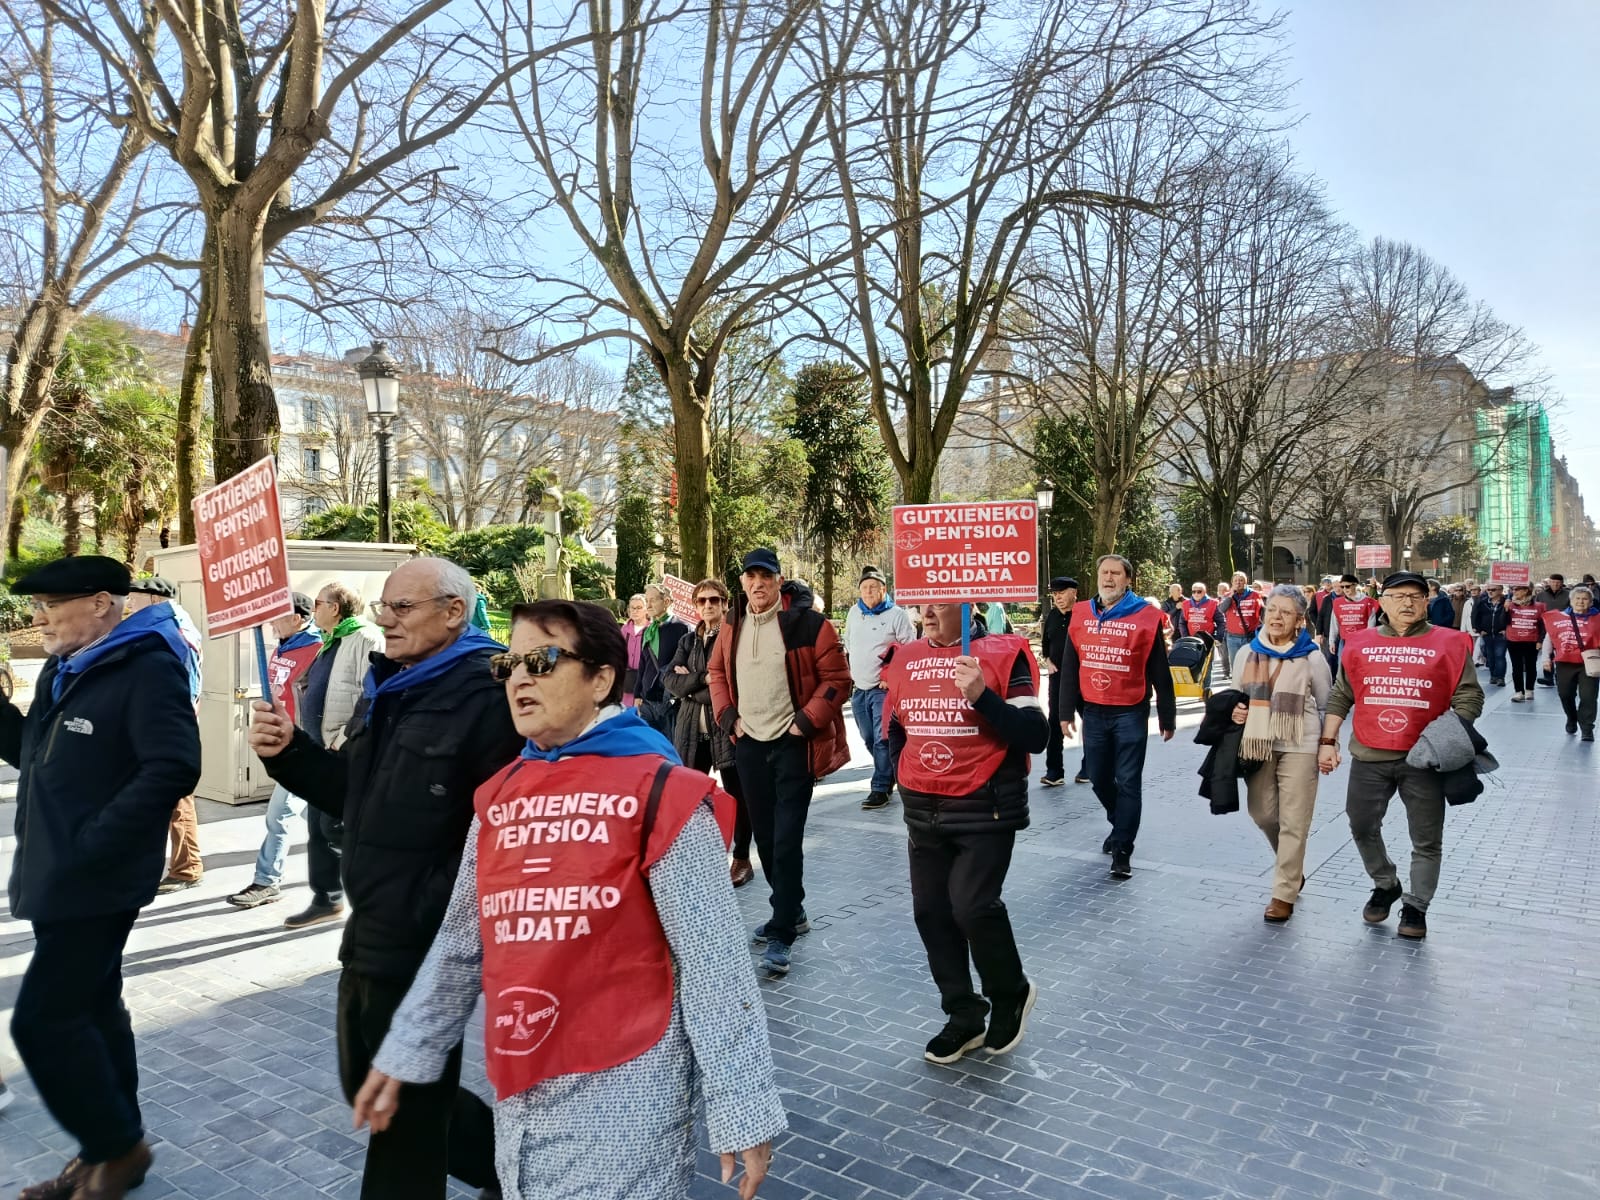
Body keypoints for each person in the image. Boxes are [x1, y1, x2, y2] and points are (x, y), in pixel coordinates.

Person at [350, 599, 786, 1200]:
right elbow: (459, 947)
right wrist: (407, 1052)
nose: (521, 677)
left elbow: (715, 964)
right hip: (521, 1081)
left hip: (627, 1092)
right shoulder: (498, 797)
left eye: (544, 660)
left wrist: (742, 1102)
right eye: (510, 665)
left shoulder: (662, 795)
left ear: (602, 678)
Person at [247, 558, 519, 1200]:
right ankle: (515, 1165)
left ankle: (514, 1167)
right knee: (370, 1081)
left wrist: (437, 907)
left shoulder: (491, 696)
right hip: (373, 921)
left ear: (454, 612)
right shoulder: (396, 683)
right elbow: (357, 794)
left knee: (401, 1107)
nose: (385, 621)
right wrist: (290, 752)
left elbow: (504, 830)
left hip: (429, 935)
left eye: (402, 608)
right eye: (383, 608)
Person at [5, 556, 201, 1200]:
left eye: (48, 606)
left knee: (42, 1021)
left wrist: (94, 844)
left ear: (98, 603)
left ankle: (119, 1149)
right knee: (94, 1008)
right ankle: (107, 1146)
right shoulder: (68, 668)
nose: (38, 620)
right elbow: (31, 753)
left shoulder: (146, 666)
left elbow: (173, 765)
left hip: (96, 880)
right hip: (56, 872)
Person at [882, 600, 1047, 1064]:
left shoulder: (1003, 653)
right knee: (931, 912)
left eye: (938, 604)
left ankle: (1010, 991)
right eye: (921, 604)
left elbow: (1035, 735)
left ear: (966, 605)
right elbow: (895, 726)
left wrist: (981, 695)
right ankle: (963, 1014)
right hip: (923, 809)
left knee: (972, 906)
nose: (926, 613)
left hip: (985, 807)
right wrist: (900, 770)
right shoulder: (906, 657)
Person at [708, 548, 851, 977]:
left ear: (778, 580)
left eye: (765, 577)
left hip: (794, 745)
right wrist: (728, 719)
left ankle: (782, 931)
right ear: (742, 582)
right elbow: (716, 672)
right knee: (767, 840)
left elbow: (838, 680)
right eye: (750, 577)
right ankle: (792, 910)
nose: (758, 584)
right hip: (749, 744)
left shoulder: (809, 625)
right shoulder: (732, 623)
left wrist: (806, 722)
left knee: (787, 839)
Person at [1319, 571, 1483, 940]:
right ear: (1381, 601)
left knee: (1426, 839)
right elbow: (1341, 694)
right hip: (1369, 753)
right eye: (1397, 595)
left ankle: (1417, 905)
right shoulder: (1359, 643)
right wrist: (1327, 740)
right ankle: (1386, 882)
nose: (1407, 602)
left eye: (1415, 595)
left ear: (1427, 601)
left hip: (1423, 759)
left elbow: (1469, 696)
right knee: (1361, 825)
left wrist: (1445, 735)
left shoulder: (1452, 643)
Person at [1057, 555, 1177, 879]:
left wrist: (1167, 715)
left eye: (1115, 574)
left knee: (1128, 782)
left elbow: (1159, 671)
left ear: (1128, 580)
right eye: (1103, 573)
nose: (1108, 578)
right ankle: (1119, 822)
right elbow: (1071, 666)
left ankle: (1123, 849)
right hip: (1093, 711)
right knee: (1097, 777)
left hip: (1130, 711)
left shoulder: (1146, 616)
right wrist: (1064, 712)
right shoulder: (1082, 613)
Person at [1227, 586, 1331, 922]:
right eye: (1272, 609)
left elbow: (1329, 704)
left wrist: (1330, 746)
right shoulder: (1246, 653)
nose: (1276, 617)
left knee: (1294, 821)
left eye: (1285, 612)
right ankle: (1292, 864)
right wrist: (1235, 713)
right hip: (1258, 743)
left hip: (1301, 742)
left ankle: (1283, 892)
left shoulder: (1311, 656)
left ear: (1299, 619)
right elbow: (1233, 698)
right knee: (1263, 814)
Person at [226, 594, 322, 909]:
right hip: (285, 743)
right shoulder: (283, 646)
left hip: (304, 747)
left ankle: (267, 881)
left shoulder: (316, 650)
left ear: (299, 618)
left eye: (278, 617)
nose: (271, 624)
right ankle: (361, 856)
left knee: (279, 815)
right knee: (322, 816)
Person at [664, 578, 755, 888]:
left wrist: (693, 683)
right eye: (701, 601)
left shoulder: (733, 638)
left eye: (714, 600)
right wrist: (708, 679)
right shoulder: (688, 642)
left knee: (738, 796)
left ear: (725, 603)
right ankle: (695, 857)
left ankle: (741, 858)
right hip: (692, 730)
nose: (707, 606)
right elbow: (669, 680)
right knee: (689, 799)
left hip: (725, 729)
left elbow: (732, 684)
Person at [122, 576, 205, 896]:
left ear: (155, 599)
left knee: (175, 798)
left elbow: (188, 684)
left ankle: (187, 868)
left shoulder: (171, 630)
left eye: (135, 596)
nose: (129, 602)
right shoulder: (166, 625)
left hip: (166, 727)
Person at [842, 566, 916, 809]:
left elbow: (909, 650)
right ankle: (891, 769)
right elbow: (849, 643)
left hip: (883, 688)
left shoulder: (897, 614)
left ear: (884, 589)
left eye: (873, 587)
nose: (868, 591)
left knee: (882, 738)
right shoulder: (854, 613)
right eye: (864, 587)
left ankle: (880, 787)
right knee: (867, 737)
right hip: (860, 687)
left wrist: (891, 675)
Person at [1038, 576, 1083, 787]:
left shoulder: (1085, 615)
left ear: (1074, 592)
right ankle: (1054, 771)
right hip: (1058, 678)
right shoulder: (1052, 617)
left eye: (1062, 593)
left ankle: (1090, 766)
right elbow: (1045, 645)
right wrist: (1047, 660)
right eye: (1055, 594)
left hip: (1083, 678)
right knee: (1054, 722)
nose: (1058, 598)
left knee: (1091, 721)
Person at [1542, 585, 1599, 740]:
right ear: (1571, 601)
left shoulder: (1597, 618)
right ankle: (1571, 717)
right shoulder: (1559, 617)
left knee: (1588, 697)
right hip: (1564, 663)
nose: (1581, 602)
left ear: (1591, 602)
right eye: (1577, 598)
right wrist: (1546, 658)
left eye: (1585, 599)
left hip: (1589, 664)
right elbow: (1549, 638)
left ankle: (1587, 729)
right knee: (1565, 695)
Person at [635, 584, 688, 738]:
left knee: (669, 750)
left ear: (666, 602)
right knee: (648, 748)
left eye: (653, 600)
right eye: (647, 600)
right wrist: (637, 695)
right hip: (647, 701)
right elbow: (642, 664)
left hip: (669, 701)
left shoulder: (681, 628)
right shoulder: (647, 631)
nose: (648, 605)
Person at [1505, 583, 1547, 702]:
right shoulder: (1510, 605)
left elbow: (1543, 626)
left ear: (1526, 590)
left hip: (1531, 640)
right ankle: (1518, 692)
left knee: (1531, 667)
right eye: (1513, 589)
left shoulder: (1539, 606)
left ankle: (1529, 689)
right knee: (1516, 667)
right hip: (1513, 640)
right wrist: (1506, 609)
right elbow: (1503, 622)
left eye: (1517, 589)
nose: (1515, 591)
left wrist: (1540, 640)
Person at [1217, 571, 1262, 679]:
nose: (1238, 583)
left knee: (1252, 666)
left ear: (1246, 582)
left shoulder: (1255, 595)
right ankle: (1238, 690)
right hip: (1233, 638)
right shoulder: (1228, 596)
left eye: (1241, 580)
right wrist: (1231, 595)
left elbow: (1262, 612)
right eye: (1236, 581)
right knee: (1236, 667)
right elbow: (1222, 609)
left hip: (1250, 637)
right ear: (1232, 583)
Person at [1326, 574, 1378, 663]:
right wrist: (1332, 641)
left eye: (1347, 586)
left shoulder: (1367, 601)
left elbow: (1371, 625)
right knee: (1343, 666)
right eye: (1342, 587)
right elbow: (1334, 624)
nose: (1345, 589)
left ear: (1355, 585)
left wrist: (1369, 641)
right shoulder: (1337, 603)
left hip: (1362, 641)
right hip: (1345, 641)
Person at [1472, 582, 1510, 687]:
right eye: (1488, 590)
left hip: (1500, 634)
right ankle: (1493, 675)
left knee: (1500, 655)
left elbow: (1511, 617)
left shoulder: (1506, 602)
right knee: (1490, 656)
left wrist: (1506, 628)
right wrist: (1479, 630)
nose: (1490, 592)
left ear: (1500, 591)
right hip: (1487, 633)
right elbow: (1475, 616)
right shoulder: (1483, 602)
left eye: (1493, 590)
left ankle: (1500, 677)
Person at [1536, 575, 1571, 687]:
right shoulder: (1541, 595)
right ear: (1549, 582)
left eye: (1558, 582)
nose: (1555, 584)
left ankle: (1560, 675)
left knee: (1562, 652)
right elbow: (1537, 610)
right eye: (1553, 582)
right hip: (1545, 627)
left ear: (1562, 583)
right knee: (1547, 652)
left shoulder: (1569, 595)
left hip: (1563, 627)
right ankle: (1548, 676)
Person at [620, 592, 648, 707]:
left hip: (644, 681)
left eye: (639, 608)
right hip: (627, 682)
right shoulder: (624, 630)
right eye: (632, 608)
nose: (635, 611)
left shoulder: (651, 630)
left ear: (646, 609)